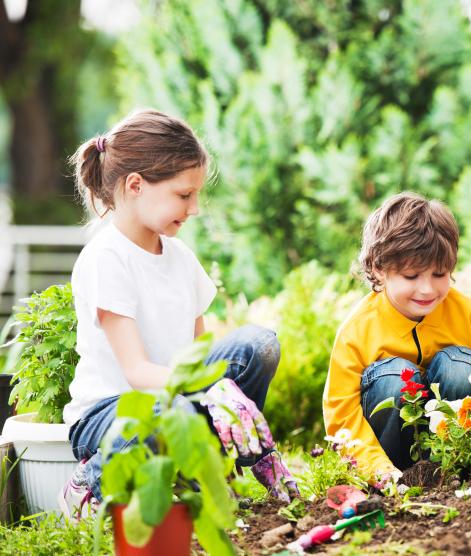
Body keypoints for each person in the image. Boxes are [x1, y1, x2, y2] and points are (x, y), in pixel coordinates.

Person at [60, 109, 297, 518]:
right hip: (111, 413)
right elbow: (136, 371)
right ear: (136, 185)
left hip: (176, 400)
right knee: (174, 410)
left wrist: (218, 389)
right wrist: (209, 387)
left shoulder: (180, 257)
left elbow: (199, 351)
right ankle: (91, 481)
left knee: (259, 345)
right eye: (184, 195)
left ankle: (215, 462)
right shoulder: (107, 258)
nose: (195, 208)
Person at [323, 192, 471, 478]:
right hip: (390, 466)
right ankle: (401, 477)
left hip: (456, 452)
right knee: (395, 377)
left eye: (439, 274)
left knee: (461, 369)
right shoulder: (357, 331)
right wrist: (380, 472)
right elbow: (342, 417)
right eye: (411, 276)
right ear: (379, 269)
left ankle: (456, 474)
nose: (428, 290)